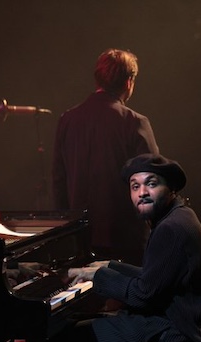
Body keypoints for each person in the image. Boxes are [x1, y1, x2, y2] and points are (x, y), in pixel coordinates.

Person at [29, 153, 201, 342]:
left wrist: (99, 277)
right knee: (76, 330)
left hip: (180, 332)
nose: (142, 193)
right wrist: (110, 266)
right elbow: (157, 280)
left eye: (151, 183)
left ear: (170, 188)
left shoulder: (170, 228)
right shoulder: (179, 216)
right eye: (135, 186)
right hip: (184, 323)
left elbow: (143, 295)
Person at [51, 48, 160, 267]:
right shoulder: (134, 122)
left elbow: (59, 182)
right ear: (129, 82)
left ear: (97, 79)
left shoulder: (68, 120)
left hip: (81, 239)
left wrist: (68, 233)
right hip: (126, 241)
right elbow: (152, 183)